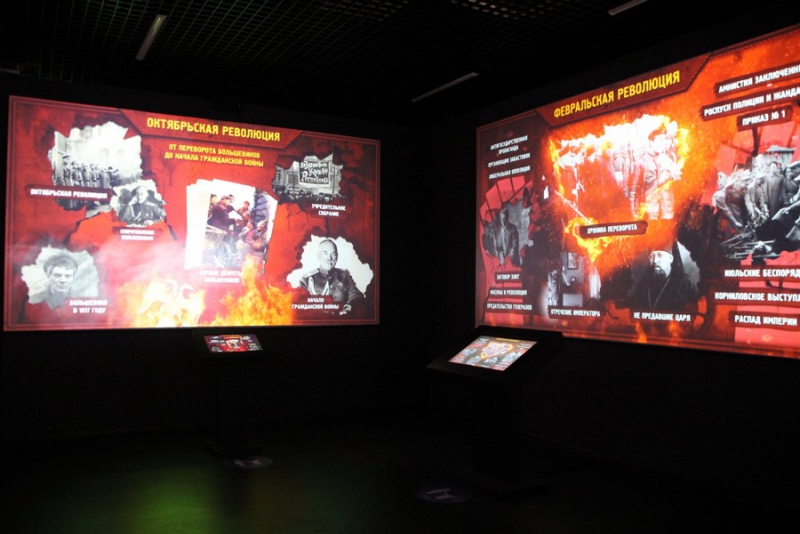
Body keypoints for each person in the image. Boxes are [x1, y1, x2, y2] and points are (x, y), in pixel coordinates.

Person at [299, 239, 364, 314]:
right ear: (318, 255)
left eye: (333, 254)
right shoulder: (306, 280)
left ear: (337, 256)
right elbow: (301, 306)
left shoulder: (344, 276)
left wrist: (348, 308)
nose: (329, 258)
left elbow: (356, 296)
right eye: (325, 253)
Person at [630, 244, 697, 311]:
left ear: (671, 258)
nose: (655, 261)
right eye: (651, 256)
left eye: (660, 255)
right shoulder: (642, 285)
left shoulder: (685, 286)